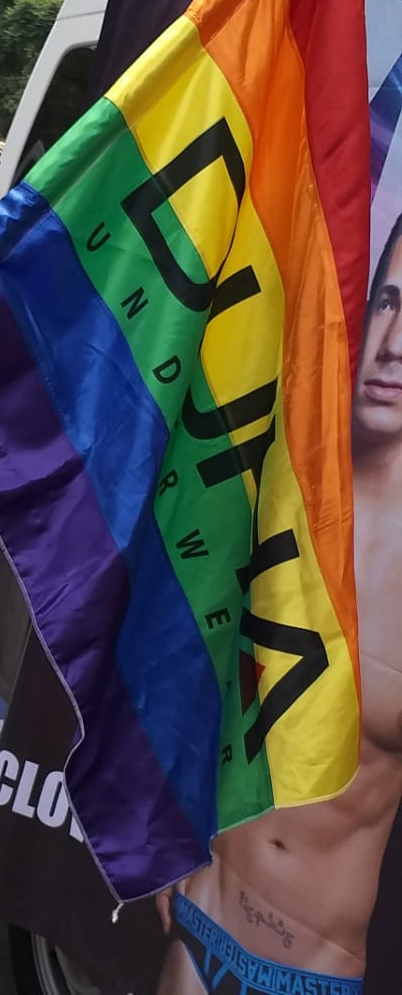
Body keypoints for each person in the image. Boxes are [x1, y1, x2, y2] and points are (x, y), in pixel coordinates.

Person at [156, 212, 402, 993]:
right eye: (392, 301)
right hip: (199, 919)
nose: (395, 343)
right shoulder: (286, 483)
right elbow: (208, 678)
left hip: (312, 970)